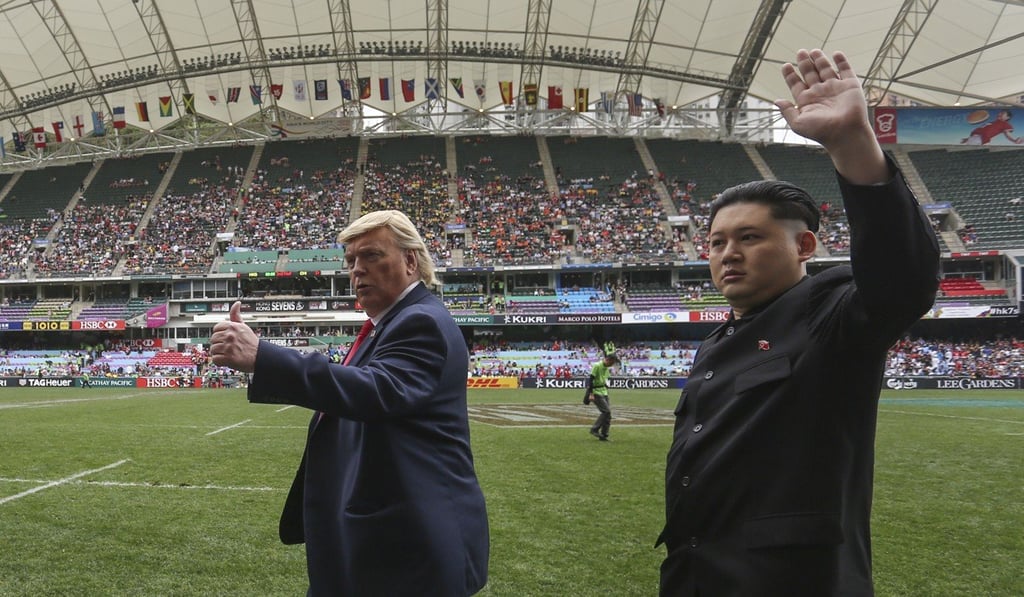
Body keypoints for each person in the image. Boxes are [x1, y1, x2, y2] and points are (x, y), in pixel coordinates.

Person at [657, 49, 940, 596]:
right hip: (696, 576)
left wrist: (852, 143)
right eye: (716, 242)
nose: (728, 253)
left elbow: (902, 280)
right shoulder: (718, 339)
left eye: (749, 237)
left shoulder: (829, 312)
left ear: (804, 246)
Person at [209, 210, 489, 596]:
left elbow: (373, 391)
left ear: (410, 261)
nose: (357, 269)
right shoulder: (389, 325)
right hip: (383, 541)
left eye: (372, 255)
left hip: (407, 549)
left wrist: (264, 357)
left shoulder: (419, 321)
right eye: (351, 260)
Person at [587, 352, 620, 441]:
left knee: (608, 415)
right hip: (596, 391)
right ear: (608, 360)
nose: (612, 365)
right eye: (612, 363)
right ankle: (594, 429)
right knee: (606, 411)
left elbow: (604, 379)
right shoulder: (597, 366)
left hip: (604, 392)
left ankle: (604, 435)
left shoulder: (606, 368)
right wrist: (590, 394)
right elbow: (590, 379)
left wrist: (606, 386)